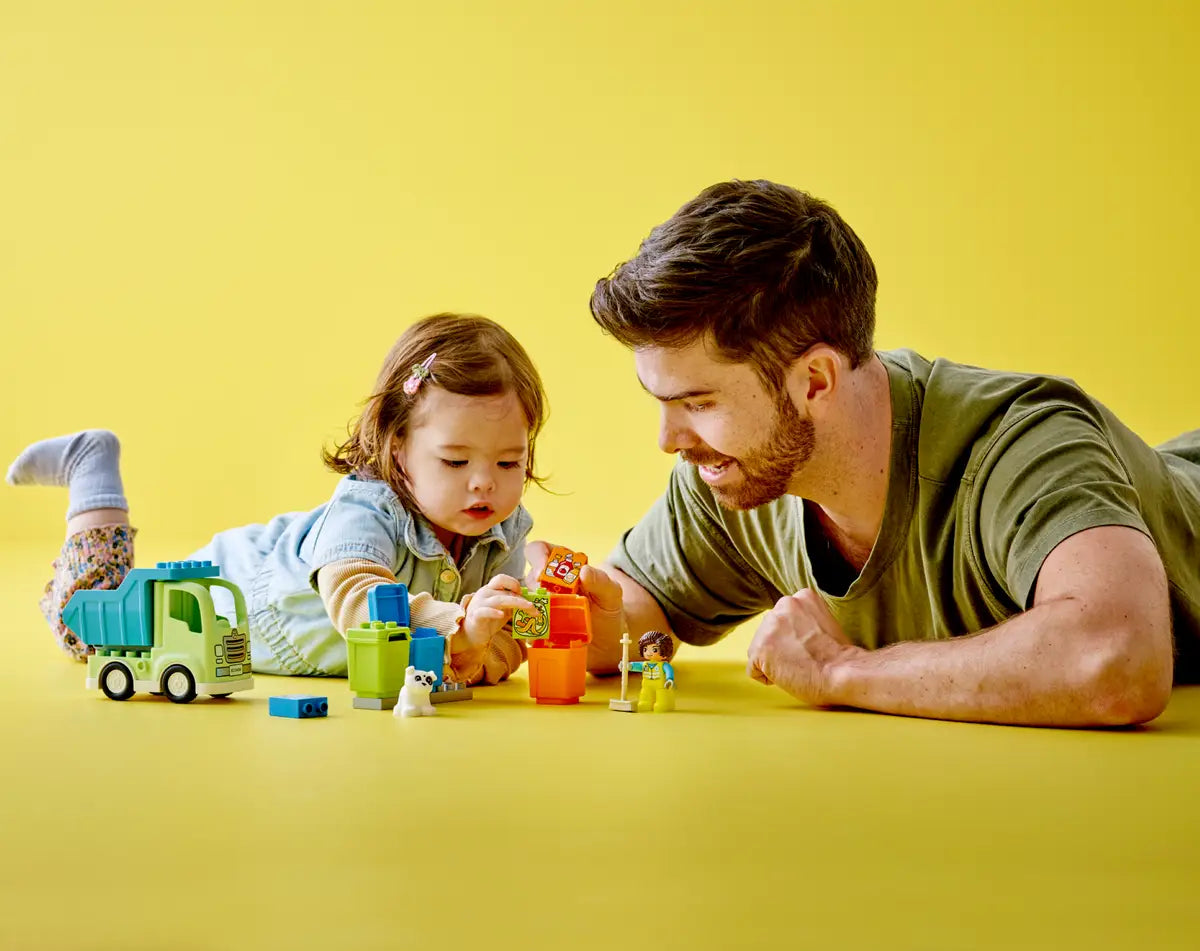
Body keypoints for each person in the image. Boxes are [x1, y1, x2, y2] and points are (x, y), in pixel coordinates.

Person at [563, 178, 1200, 728]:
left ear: (814, 380)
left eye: (698, 403)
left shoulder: (1023, 447)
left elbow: (1117, 660)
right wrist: (546, 614)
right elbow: (638, 607)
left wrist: (843, 673)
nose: (668, 440)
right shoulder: (738, 474)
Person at [8, 312, 546, 686]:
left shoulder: (507, 529)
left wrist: (482, 646)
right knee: (91, 630)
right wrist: (457, 624)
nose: (484, 483)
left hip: (274, 612)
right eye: (455, 461)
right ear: (397, 446)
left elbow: (504, 642)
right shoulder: (367, 510)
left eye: (508, 462)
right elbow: (360, 601)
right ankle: (91, 475)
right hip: (226, 589)